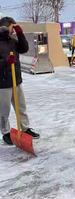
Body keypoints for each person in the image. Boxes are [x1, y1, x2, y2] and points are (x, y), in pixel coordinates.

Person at [0, 17, 40, 145]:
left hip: (16, 80)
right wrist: (5, 61)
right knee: (3, 110)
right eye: (13, 26)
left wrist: (20, 33)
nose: (13, 29)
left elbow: (24, 48)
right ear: (6, 27)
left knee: (21, 106)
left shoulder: (13, 40)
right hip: (3, 82)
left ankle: (25, 128)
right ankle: (5, 132)